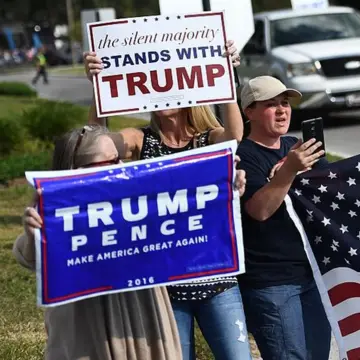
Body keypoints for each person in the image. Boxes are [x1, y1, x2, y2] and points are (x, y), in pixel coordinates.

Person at [13, 124, 247, 360]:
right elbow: (29, 257)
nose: (119, 168)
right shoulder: (58, 210)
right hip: (88, 329)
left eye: (117, 159)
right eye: (107, 163)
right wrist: (34, 232)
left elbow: (185, 216)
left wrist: (224, 188)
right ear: (75, 169)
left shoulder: (140, 199)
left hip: (142, 316)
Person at [83, 40, 253, 360]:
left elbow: (234, 136)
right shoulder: (140, 140)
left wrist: (228, 75)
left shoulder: (208, 138)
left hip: (217, 279)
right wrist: (98, 88)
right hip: (166, 288)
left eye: (172, 82)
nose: (165, 93)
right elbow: (98, 145)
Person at [235, 75, 332, 360]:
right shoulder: (242, 155)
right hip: (271, 282)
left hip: (311, 275)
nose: (282, 111)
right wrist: (289, 170)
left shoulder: (297, 146)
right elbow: (259, 210)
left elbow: (330, 196)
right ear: (249, 111)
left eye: (285, 103)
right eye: (270, 104)